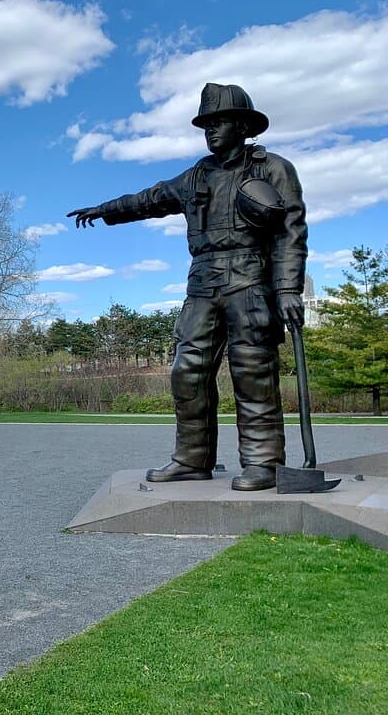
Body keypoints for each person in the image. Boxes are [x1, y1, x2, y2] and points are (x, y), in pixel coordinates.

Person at [68, 83, 307, 491]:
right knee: (187, 372)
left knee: (253, 372)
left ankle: (264, 462)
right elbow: (149, 198)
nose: (211, 130)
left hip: (249, 280)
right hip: (202, 283)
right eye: (206, 124)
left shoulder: (273, 169)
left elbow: (291, 231)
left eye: (219, 122)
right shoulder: (197, 174)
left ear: (243, 125)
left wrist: (287, 289)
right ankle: (192, 458)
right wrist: (104, 210)